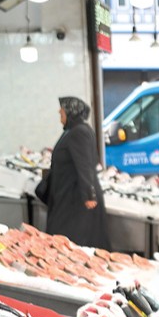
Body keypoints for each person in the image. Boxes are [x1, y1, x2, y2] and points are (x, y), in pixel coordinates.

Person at [35, 96, 109, 249]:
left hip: (76, 202)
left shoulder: (79, 132)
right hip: (68, 196)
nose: (59, 111)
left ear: (71, 111)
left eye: (62, 108)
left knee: (69, 245)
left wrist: (88, 195)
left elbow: (85, 165)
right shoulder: (72, 130)